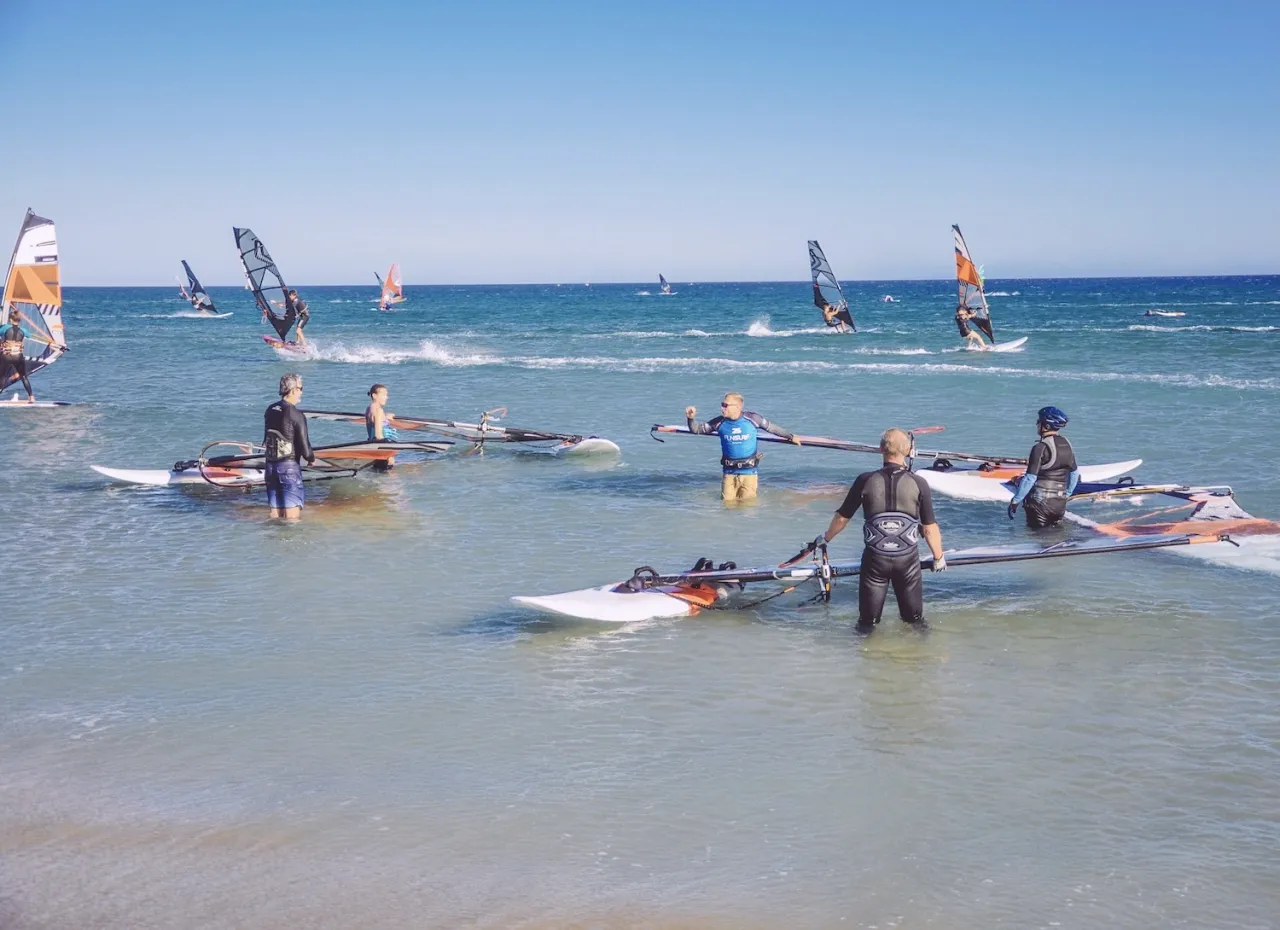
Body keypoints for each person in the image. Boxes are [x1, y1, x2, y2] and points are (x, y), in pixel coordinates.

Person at [811, 428, 947, 632]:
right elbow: (929, 528)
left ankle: (866, 660)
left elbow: (842, 517)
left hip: (875, 561)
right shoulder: (919, 483)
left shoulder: (865, 480)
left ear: (881, 449)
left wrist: (826, 538)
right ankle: (921, 660)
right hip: (907, 561)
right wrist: (938, 557)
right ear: (909, 450)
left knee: (867, 623)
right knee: (915, 621)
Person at [685, 393, 801, 502]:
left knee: (747, 510)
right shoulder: (719, 422)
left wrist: (790, 436)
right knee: (727, 509)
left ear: (738, 406)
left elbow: (773, 428)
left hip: (749, 474)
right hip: (729, 474)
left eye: (725, 405)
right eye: (722, 405)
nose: (722, 408)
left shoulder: (753, 419)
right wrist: (690, 418)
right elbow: (696, 429)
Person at [1008, 406, 1080, 529]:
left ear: (1046, 426)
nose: (1037, 424)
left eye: (1039, 421)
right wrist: (1066, 495)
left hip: (1039, 505)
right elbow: (1074, 474)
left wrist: (1015, 501)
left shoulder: (1040, 447)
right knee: (1056, 539)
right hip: (1059, 504)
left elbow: (1030, 478)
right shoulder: (1067, 444)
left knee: (1038, 539)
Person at [263, 372, 316, 519]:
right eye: (301, 388)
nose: (301, 392)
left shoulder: (270, 409)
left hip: (270, 466)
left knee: (275, 514)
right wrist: (311, 458)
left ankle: (273, 540)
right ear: (293, 390)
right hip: (289, 467)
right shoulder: (297, 414)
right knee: (292, 520)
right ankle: (292, 542)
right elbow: (306, 450)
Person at [0, 310, 34, 402]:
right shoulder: (24, 330)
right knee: (23, 376)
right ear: (19, 321)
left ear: (11, 320)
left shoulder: (5, 328)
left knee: (2, 376)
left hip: (6, 356)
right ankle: (31, 396)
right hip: (18, 357)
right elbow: (29, 336)